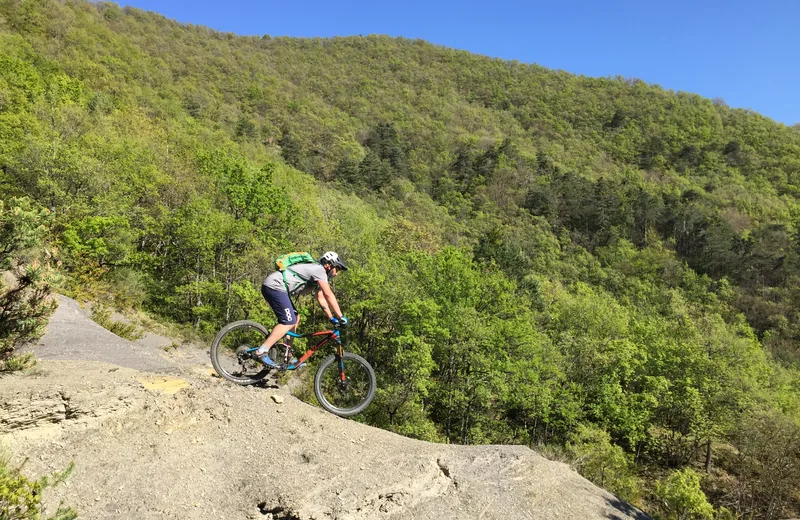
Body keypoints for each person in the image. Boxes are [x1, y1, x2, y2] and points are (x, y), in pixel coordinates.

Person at [251, 251, 349, 367]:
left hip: (277, 289)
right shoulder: (319, 270)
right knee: (288, 321)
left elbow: (321, 297)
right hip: (275, 287)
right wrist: (340, 316)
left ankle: (286, 356)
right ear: (329, 265)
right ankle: (261, 351)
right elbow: (329, 295)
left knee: (295, 318)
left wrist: (331, 318)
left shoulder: (319, 274)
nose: (336, 274)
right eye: (337, 269)